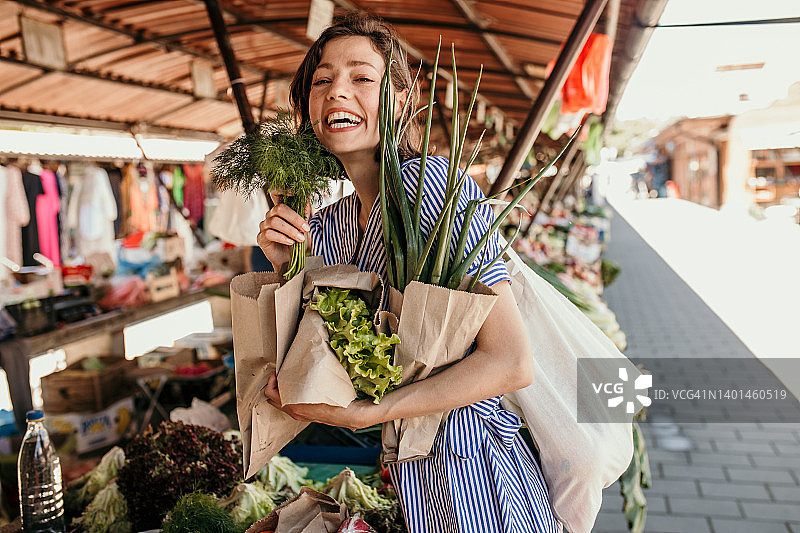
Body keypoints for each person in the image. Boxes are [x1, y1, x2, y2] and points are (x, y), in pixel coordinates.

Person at [258, 14, 560, 533]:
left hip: (477, 482)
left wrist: (372, 414)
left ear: (401, 101)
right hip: (404, 480)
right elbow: (346, 365)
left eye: (361, 77)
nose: (337, 93)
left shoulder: (433, 189)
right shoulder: (327, 226)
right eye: (322, 80)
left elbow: (511, 361)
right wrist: (285, 268)